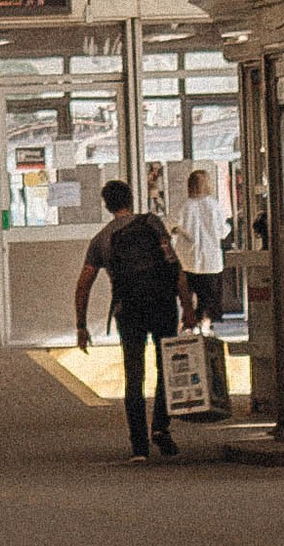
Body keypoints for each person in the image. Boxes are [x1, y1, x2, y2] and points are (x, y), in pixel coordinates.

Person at [75, 179, 183, 461]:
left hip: (128, 310)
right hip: (162, 305)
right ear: (131, 200)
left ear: (106, 205)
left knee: (134, 375)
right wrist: (188, 306)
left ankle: (139, 447)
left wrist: (81, 325)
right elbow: (174, 264)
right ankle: (160, 427)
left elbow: (83, 284)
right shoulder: (153, 223)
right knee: (166, 367)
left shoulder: (102, 239)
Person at [174, 166, 229, 327]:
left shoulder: (184, 206)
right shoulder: (214, 206)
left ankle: (189, 324)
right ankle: (205, 323)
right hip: (211, 262)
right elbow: (222, 232)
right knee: (207, 300)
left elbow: (170, 225)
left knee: (187, 301)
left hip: (187, 261)